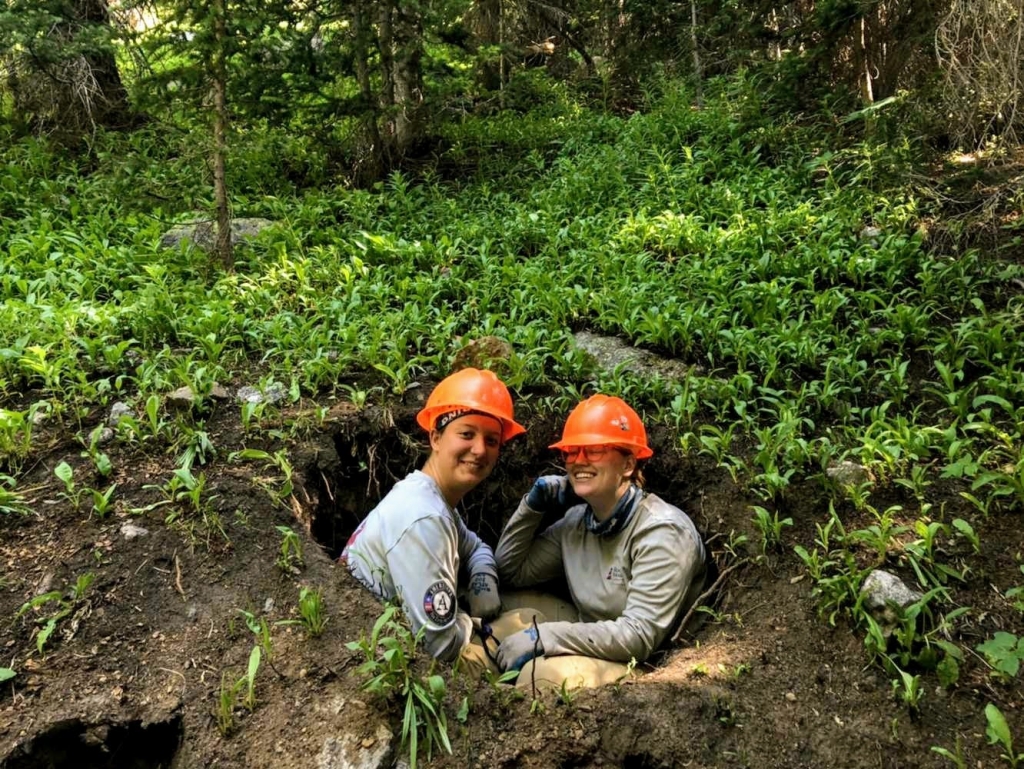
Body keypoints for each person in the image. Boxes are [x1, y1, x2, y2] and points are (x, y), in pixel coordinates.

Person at [494, 394, 708, 691]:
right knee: (498, 604)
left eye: (594, 449)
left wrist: (546, 637)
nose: (579, 460)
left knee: (541, 674)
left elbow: (639, 636)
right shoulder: (576, 522)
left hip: (645, 661)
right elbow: (509, 572)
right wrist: (532, 507)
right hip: (590, 631)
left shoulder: (663, 531)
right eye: (571, 451)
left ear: (629, 465)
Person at [341, 367, 528, 675]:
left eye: (492, 440)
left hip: (388, 635)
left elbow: (475, 546)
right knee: (528, 639)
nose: (480, 449)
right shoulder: (425, 518)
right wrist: (469, 616)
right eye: (466, 434)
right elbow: (437, 646)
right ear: (436, 437)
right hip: (383, 659)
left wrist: (483, 579)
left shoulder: (428, 496)